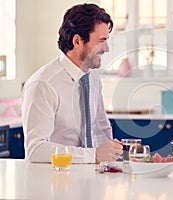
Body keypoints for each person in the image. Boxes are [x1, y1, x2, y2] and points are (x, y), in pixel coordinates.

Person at [22, 3, 123, 164]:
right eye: (101, 41)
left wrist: (109, 159)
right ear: (77, 41)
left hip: (91, 177)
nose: (107, 48)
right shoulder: (43, 84)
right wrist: (93, 155)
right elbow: (36, 149)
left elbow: (100, 128)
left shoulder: (92, 78)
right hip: (52, 180)